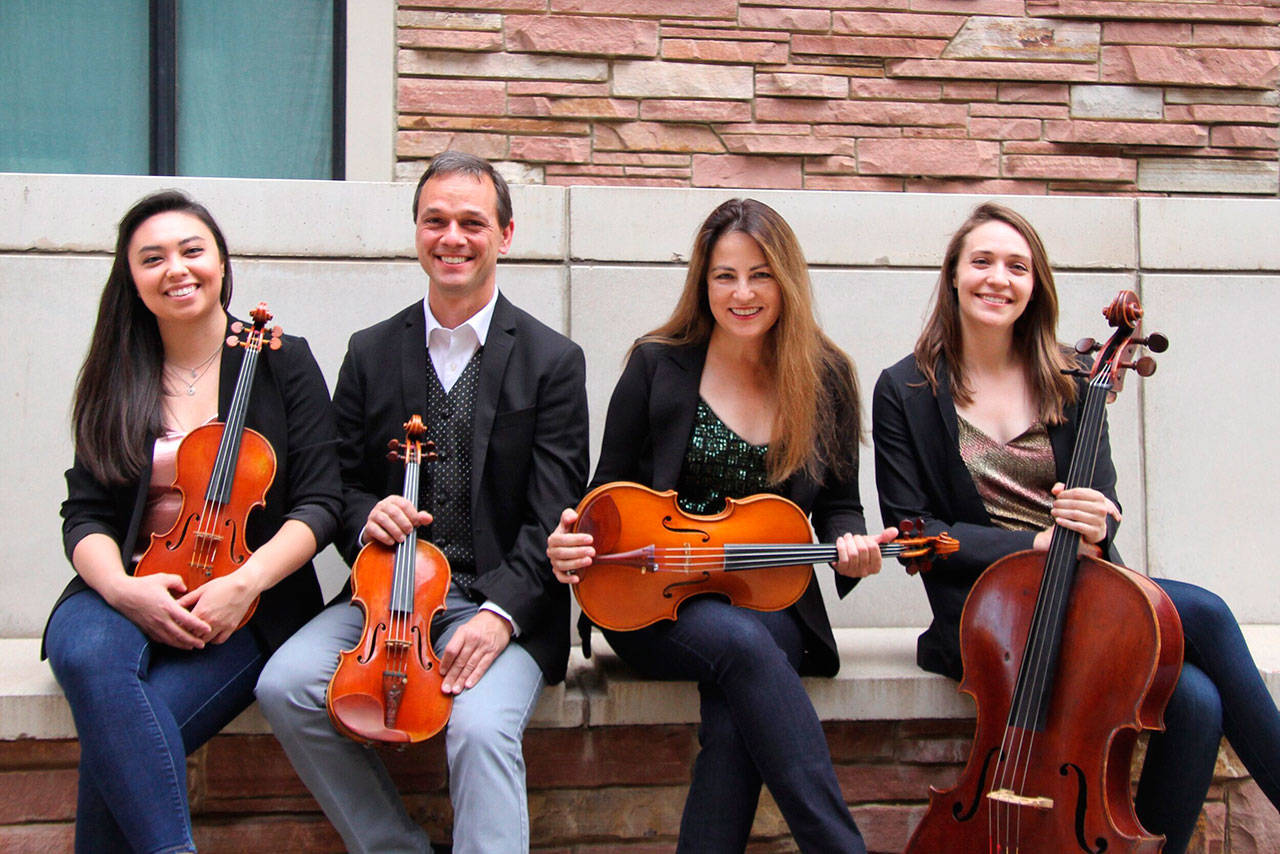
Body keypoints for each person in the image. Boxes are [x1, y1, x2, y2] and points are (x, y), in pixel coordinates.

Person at [872, 201, 1280, 854]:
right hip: (987, 618)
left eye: (1017, 266)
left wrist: (1094, 522)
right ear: (952, 274)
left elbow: (1104, 504)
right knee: (1205, 615)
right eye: (981, 261)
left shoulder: (1075, 377)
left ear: (1035, 286)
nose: (997, 278)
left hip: (1081, 594)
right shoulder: (905, 389)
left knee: (1197, 703)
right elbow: (914, 531)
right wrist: (1030, 544)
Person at [255, 151, 589, 854]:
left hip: (502, 605)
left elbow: (553, 511)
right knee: (286, 685)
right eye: (435, 221)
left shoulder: (552, 360)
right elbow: (336, 483)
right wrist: (362, 517)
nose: (453, 238)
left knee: (478, 728)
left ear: (506, 234)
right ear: (416, 232)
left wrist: (499, 617)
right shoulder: (372, 350)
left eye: (472, 222)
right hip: (387, 602)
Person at [547, 198, 895, 854]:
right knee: (744, 650)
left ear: (785, 280)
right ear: (702, 283)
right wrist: (575, 535)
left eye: (760, 274)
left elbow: (841, 504)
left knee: (739, 705)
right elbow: (605, 492)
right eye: (724, 275)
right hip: (653, 601)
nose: (742, 292)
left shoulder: (827, 379)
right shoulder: (657, 366)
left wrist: (853, 544)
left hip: (769, 598)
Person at [42, 190, 343, 853]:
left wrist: (248, 583)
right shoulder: (117, 372)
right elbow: (84, 513)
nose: (175, 268)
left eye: (191, 251)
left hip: (244, 604)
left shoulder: (282, 361)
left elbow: (321, 502)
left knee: (119, 740)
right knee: (92, 657)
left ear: (220, 262)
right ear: (131, 277)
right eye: (152, 258)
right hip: (124, 584)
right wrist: (123, 590)